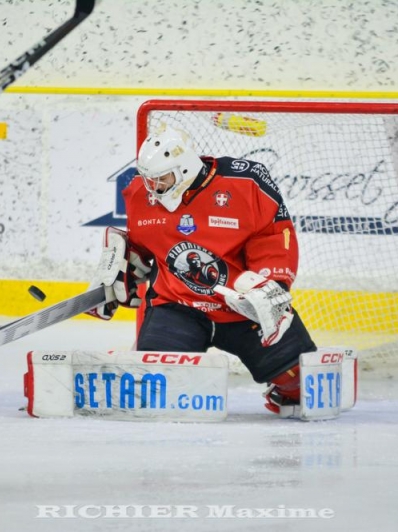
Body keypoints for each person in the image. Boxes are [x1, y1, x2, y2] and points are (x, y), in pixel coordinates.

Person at [88, 126, 317, 416]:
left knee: (302, 386)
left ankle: (284, 389)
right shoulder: (139, 194)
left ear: (184, 168)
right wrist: (120, 270)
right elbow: (143, 247)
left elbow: (272, 236)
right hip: (177, 307)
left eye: (162, 178)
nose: (153, 187)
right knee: (156, 392)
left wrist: (272, 285)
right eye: (148, 178)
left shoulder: (246, 183)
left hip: (243, 309)